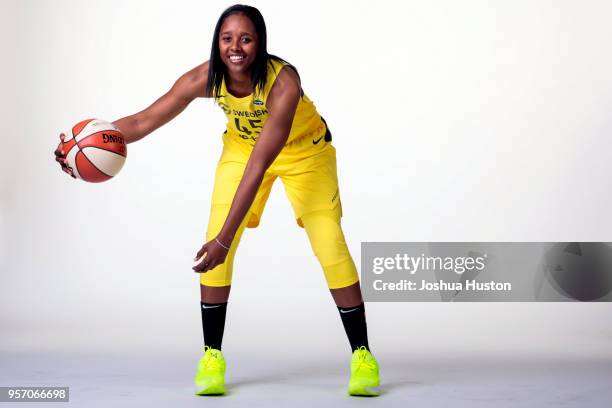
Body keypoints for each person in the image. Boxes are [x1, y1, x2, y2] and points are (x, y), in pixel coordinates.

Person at [54, 4, 380, 397]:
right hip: (242, 150)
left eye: (246, 38)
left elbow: (261, 165)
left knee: (329, 243)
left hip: (304, 155)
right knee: (211, 243)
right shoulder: (206, 77)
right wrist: (83, 143)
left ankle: (363, 355)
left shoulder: (283, 84)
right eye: (227, 38)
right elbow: (142, 121)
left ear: (260, 43)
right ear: (217, 42)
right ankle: (212, 355)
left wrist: (227, 239)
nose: (235, 47)